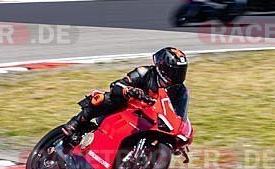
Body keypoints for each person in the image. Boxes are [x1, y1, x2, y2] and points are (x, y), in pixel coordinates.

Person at [61, 47, 189, 141]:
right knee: (103, 98)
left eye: (180, 72)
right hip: (127, 110)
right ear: (161, 67)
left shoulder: (179, 90)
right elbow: (116, 85)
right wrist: (128, 90)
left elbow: (179, 114)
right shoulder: (144, 72)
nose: (176, 76)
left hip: (152, 120)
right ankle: (76, 121)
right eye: (173, 72)